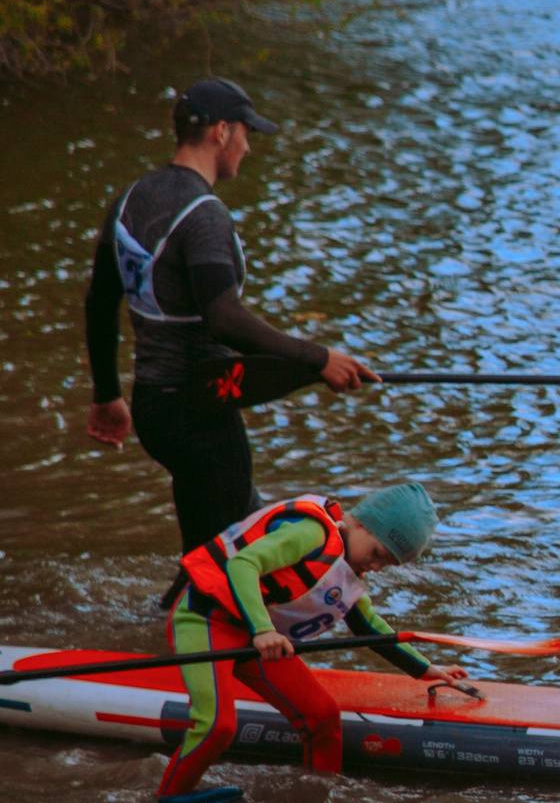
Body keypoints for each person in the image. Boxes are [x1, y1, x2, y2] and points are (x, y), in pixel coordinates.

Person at [82, 77, 378, 555]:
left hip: (155, 407)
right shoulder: (204, 215)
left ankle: (165, 624)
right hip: (200, 412)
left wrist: (107, 395)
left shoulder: (128, 201)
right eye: (246, 133)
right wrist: (318, 358)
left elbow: (99, 305)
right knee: (225, 559)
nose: (247, 146)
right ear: (221, 132)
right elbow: (225, 318)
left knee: (223, 545)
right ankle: (194, 625)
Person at [157, 481, 462, 803]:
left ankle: (318, 799)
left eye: (386, 565)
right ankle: (172, 797)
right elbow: (243, 564)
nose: (375, 567)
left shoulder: (345, 573)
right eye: (377, 554)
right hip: (205, 619)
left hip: (253, 637)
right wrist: (262, 629)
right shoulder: (312, 533)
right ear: (359, 522)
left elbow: (372, 629)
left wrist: (427, 669)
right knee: (217, 724)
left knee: (323, 715)